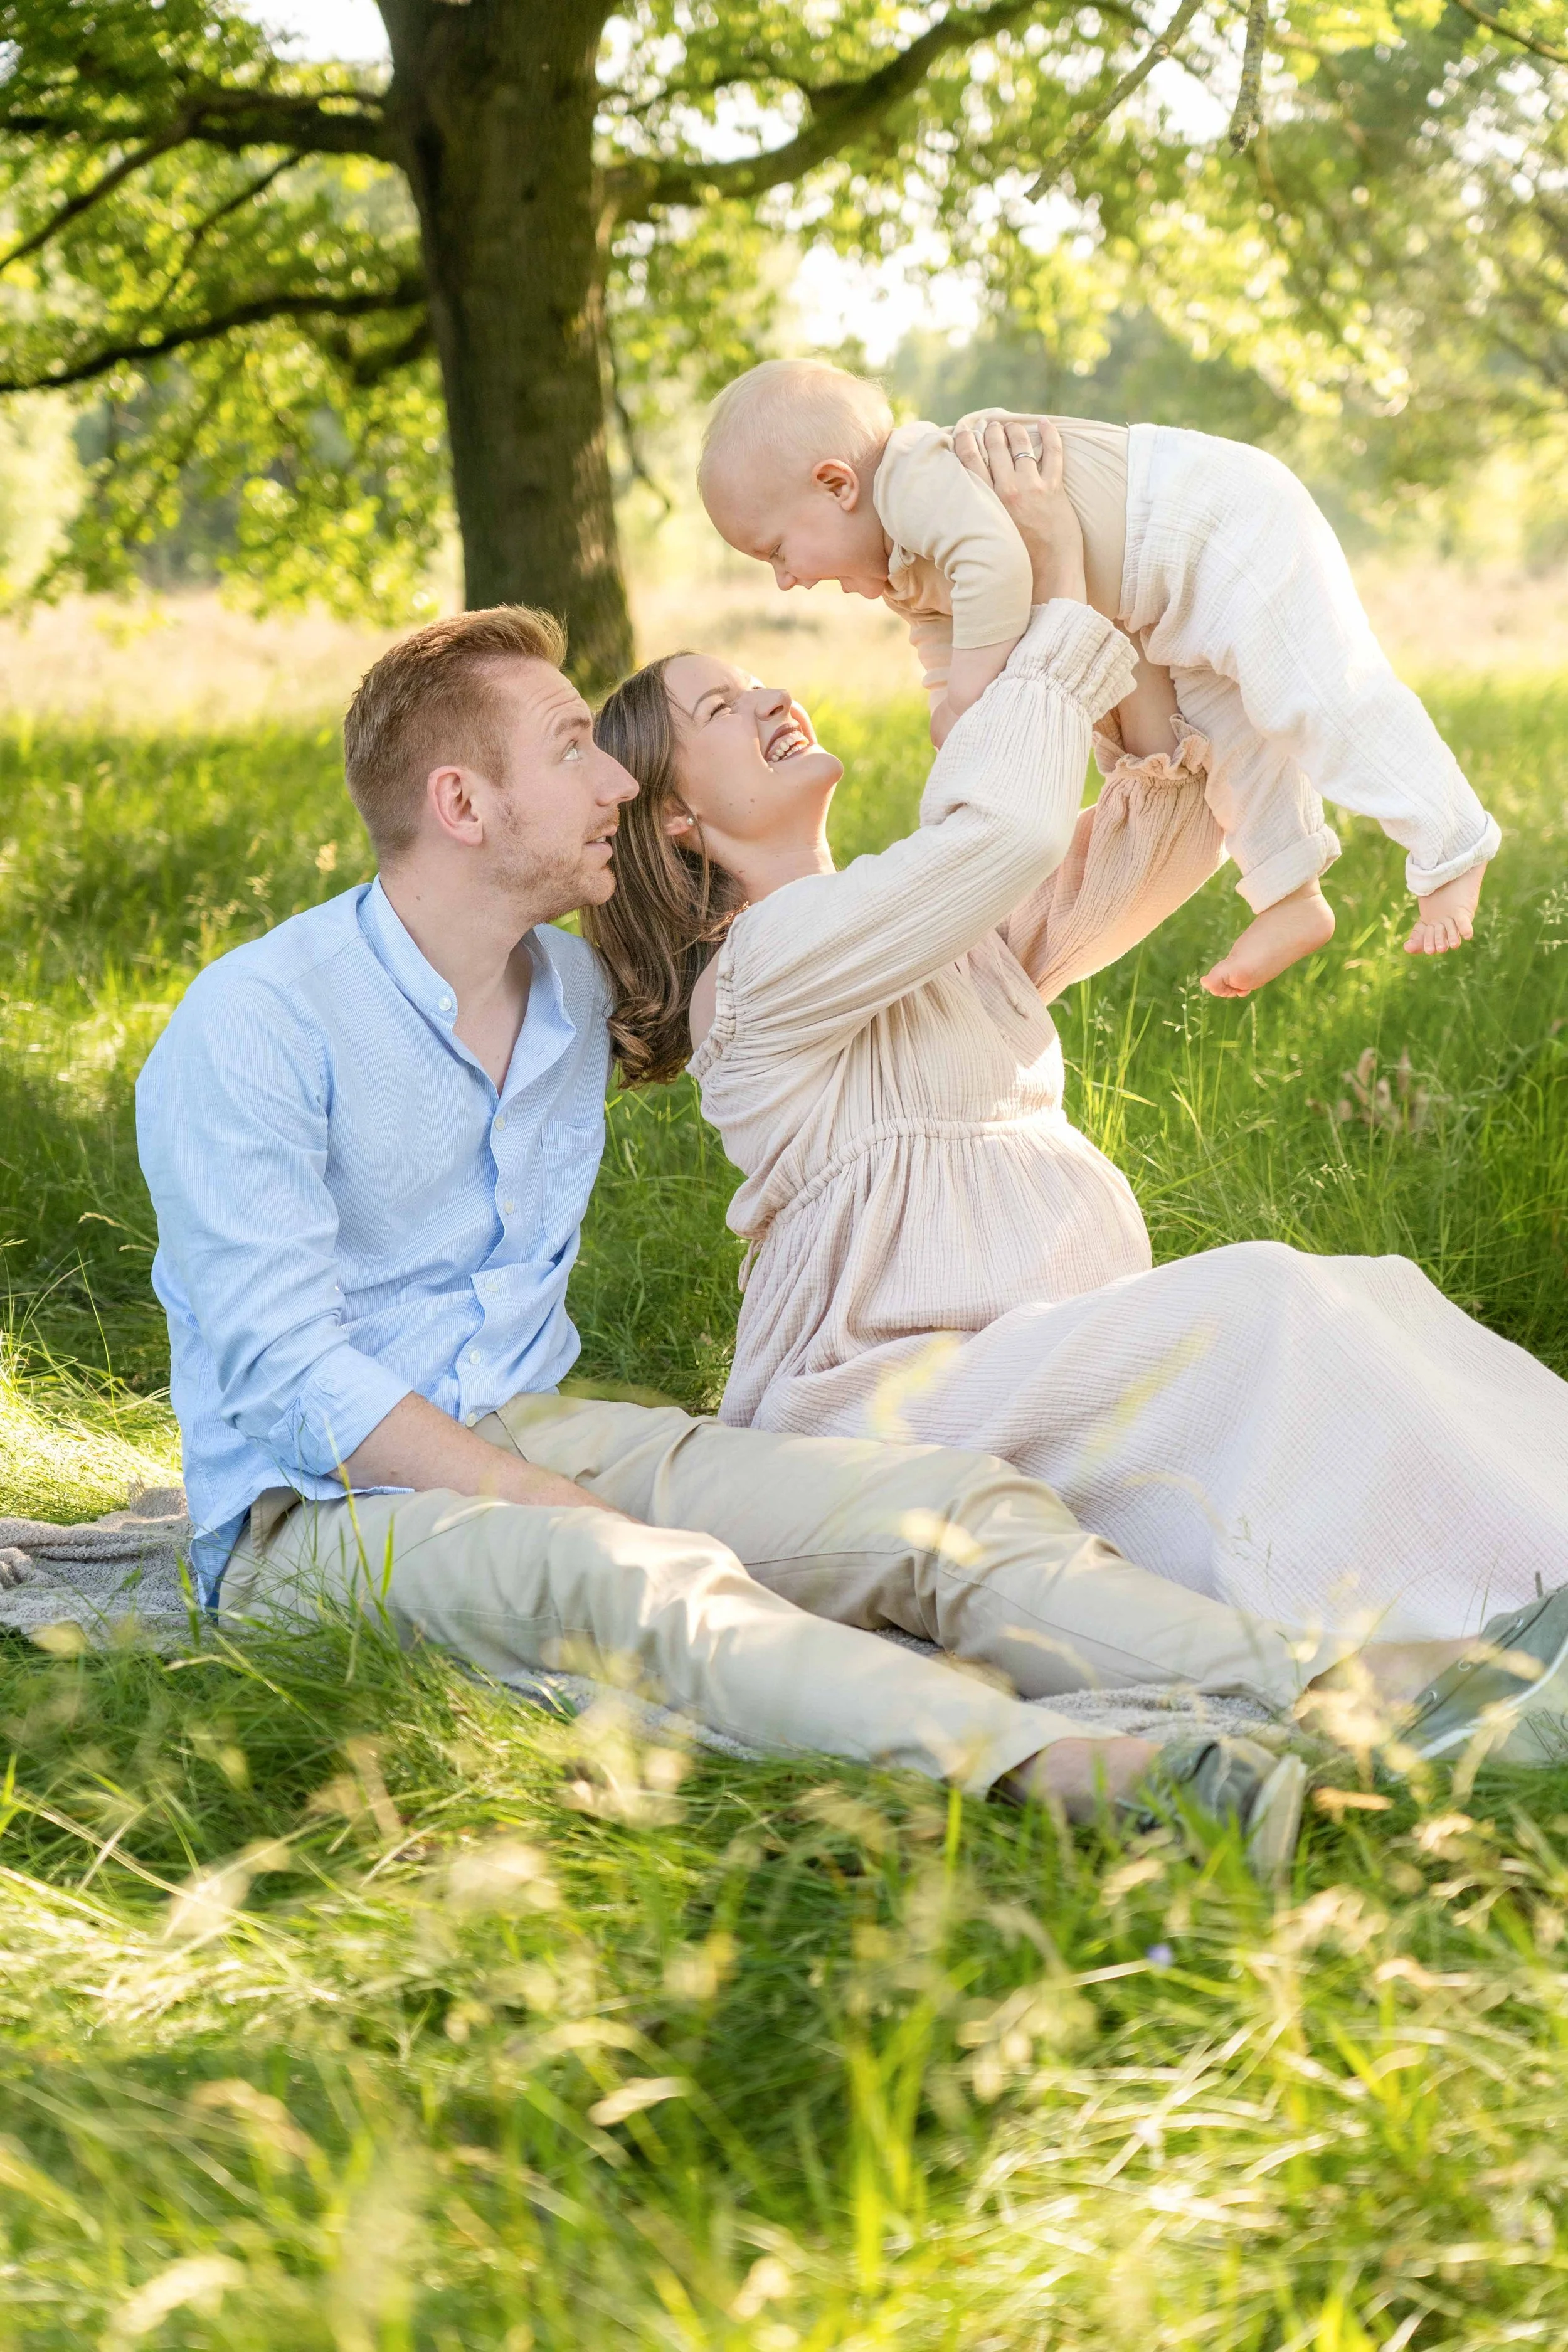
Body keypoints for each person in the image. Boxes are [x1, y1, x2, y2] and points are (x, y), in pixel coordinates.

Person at [134, 602, 1368, 1860]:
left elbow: (808, 973)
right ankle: (1101, 1778)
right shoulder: (257, 1025)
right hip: (311, 1517)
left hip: (533, 1423)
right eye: (571, 750)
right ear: (463, 804)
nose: (617, 782)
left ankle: (1344, 1695)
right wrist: (542, 1502)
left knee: (944, 1510)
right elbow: (284, 1371)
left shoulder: (568, 998)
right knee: (634, 1580)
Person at [587, 417, 1568, 1675]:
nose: (774, 695)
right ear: (676, 820)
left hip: (1041, 1352)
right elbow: (998, 836)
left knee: (1363, 1292)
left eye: (754, 679)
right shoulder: (759, 972)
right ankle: (1488, 1611)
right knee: (1265, 1302)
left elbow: (1164, 837)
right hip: (897, 1396)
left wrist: (1073, 561)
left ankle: (1526, 1562)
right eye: (721, 707)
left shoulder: (916, 922)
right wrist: (1049, 603)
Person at [696, 357, 1500, 997]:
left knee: (1316, 697)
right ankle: (1291, 896)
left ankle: (1452, 844)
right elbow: (945, 643)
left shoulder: (914, 478)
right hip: (1161, 602)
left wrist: (971, 691)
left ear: (837, 485)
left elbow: (992, 564)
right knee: (1233, 744)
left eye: (777, 551)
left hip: (1209, 525)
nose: (785, 581)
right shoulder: (901, 568)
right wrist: (954, 716)